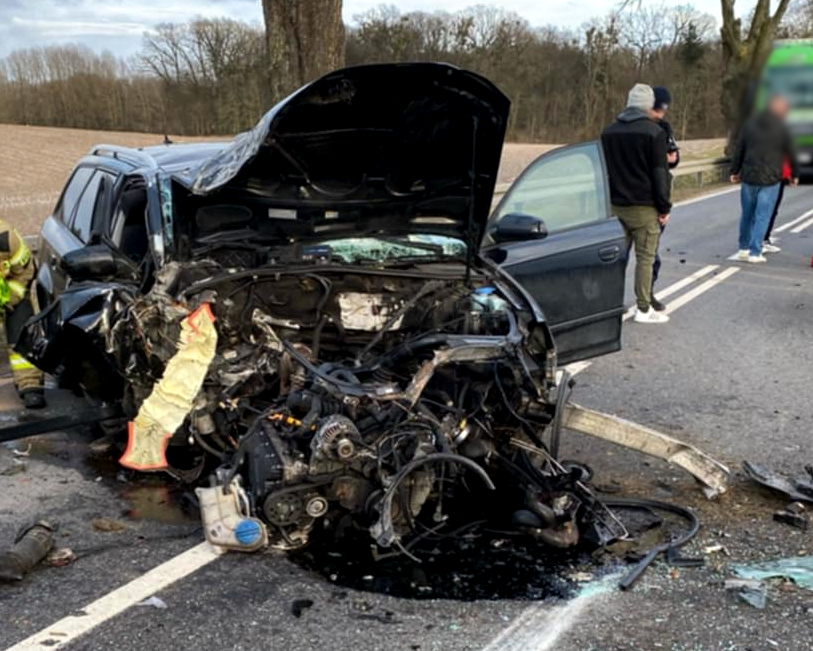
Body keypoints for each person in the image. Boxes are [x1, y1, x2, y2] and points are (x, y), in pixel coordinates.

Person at [601, 83, 672, 324]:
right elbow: (659, 174)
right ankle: (643, 308)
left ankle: (612, 304)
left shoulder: (608, 133)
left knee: (616, 259)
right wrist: (664, 207)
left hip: (614, 206)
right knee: (645, 258)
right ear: (648, 105)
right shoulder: (654, 133)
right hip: (643, 207)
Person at [730, 96, 799, 263]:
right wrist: (794, 174)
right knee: (762, 215)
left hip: (749, 176)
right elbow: (791, 153)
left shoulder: (749, 125)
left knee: (747, 215)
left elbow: (739, 149)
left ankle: (743, 249)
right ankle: (755, 252)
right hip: (771, 178)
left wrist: (734, 170)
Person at [0, 219, 45, 408]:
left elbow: (26, 271)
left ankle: (30, 384)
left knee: (22, 326)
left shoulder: (5, 237)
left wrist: (10, 300)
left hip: (9, 295)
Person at [650, 86, 680, 311]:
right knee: (650, 253)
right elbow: (665, 164)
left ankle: (647, 294)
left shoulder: (665, 127)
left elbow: (674, 158)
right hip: (652, 197)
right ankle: (645, 298)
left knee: (648, 252)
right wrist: (664, 207)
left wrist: (671, 157)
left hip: (648, 195)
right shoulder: (651, 129)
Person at [762, 156, 792, 251]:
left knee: (767, 209)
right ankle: (762, 239)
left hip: (766, 174)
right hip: (774, 175)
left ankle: (761, 239)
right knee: (770, 209)